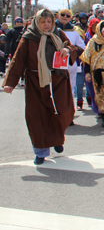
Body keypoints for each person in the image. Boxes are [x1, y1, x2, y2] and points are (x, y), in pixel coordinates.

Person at [2, 9, 76, 165]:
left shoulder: (59, 34)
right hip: (36, 82)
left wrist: (67, 49)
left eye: (49, 21)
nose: (46, 25)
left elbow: (73, 48)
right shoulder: (28, 38)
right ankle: (41, 152)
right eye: (43, 22)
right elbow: (18, 60)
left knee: (64, 111)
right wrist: (10, 82)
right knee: (37, 117)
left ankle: (56, 137)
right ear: (37, 22)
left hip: (58, 79)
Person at [80, 21, 104, 127]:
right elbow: (87, 57)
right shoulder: (93, 42)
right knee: (100, 96)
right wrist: (87, 72)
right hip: (98, 73)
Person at [56, 9, 86, 112]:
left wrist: (70, 52)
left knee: (70, 89)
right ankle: (57, 113)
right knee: (55, 89)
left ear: (71, 18)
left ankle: (68, 114)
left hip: (69, 64)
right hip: (53, 64)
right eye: (62, 15)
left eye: (68, 16)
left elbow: (82, 47)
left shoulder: (74, 31)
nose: (65, 17)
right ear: (57, 16)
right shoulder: (51, 29)